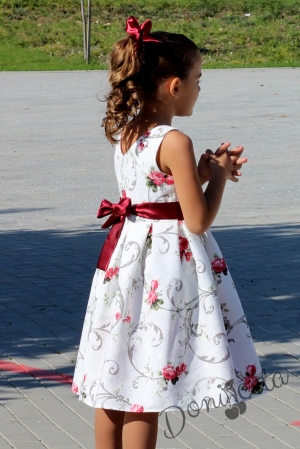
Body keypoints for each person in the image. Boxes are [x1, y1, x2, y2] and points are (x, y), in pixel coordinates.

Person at [72, 16, 265, 449]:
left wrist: (193, 174)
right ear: (175, 86)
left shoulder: (124, 131)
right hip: (162, 267)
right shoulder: (175, 140)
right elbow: (196, 221)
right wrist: (216, 175)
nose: (200, 87)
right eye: (198, 79)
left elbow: (152, 189)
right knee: (147, 384)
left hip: (126, 262)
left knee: (116, 373)